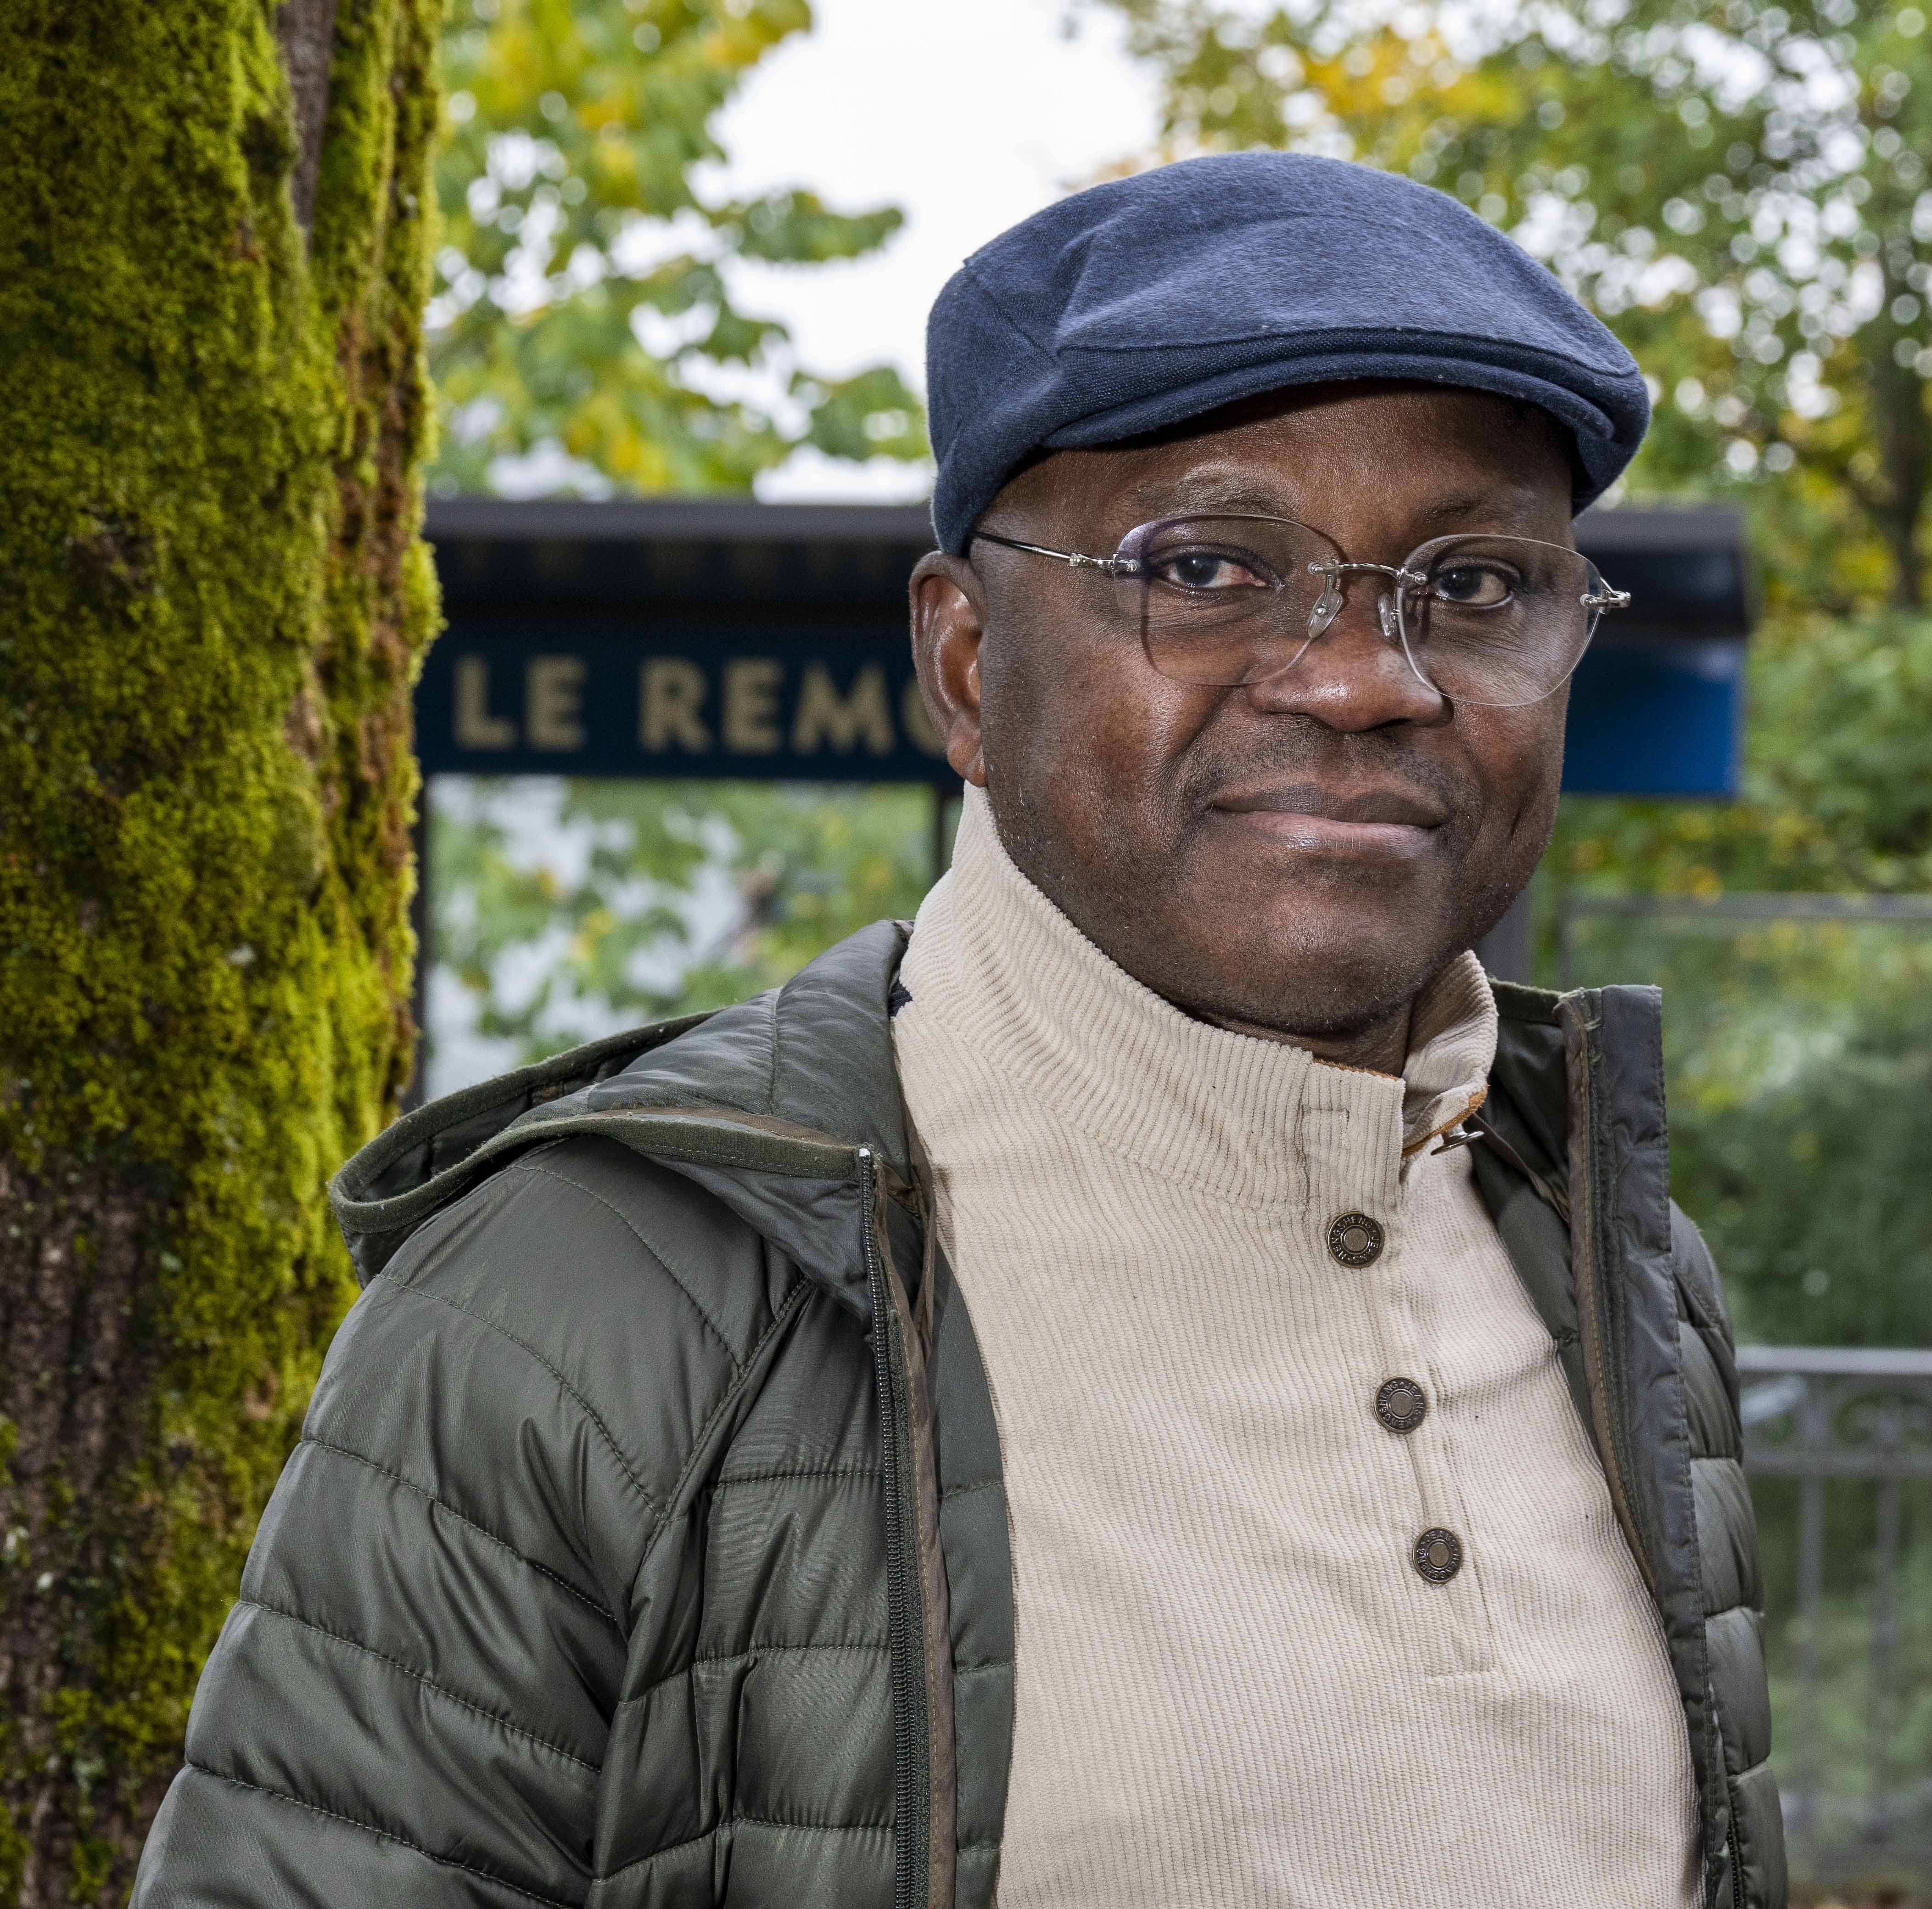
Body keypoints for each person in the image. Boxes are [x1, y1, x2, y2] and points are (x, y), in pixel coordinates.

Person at [134, 151, 1782, 1909]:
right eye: (1207, 567)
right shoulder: (593, 1295)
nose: (1367, 675)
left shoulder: (1612, 1262)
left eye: (1477, 586)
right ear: (969, 663)